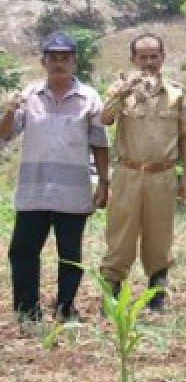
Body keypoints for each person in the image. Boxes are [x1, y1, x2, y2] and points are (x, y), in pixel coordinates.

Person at [1, 32, 109, 323]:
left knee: (70, 255)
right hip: (34, 191)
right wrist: (8, 112)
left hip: (73, 193)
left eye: (65, 58)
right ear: (43, 62)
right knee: (23, 251)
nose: (59, 64)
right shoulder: (28, 96)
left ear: (75, 62)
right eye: (53, 58)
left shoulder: (89, 98)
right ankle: (27, 310)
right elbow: (5, 135)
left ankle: (66, 308)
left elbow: (100, 143)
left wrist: (104, 184)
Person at [99, 33, 186, 310]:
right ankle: (112, 292)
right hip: (128, 173)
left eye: (154, 56)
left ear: (163, 58)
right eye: (143, 57)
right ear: (133, 59)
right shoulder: (120, 90)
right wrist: (124, 91)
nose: (149, 63)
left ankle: (157, 294)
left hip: (162, 175)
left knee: (159, 235)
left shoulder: (176, 93)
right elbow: (105, 119)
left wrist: (185, 176)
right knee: (121, 235)